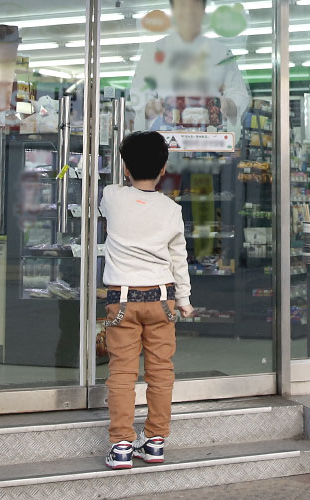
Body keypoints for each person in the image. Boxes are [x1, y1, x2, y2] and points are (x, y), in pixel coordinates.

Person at [100, 131, 194, 469]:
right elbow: (178, 258)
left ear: (125, 168)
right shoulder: (171, 209)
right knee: (160, 372)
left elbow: (116, 201)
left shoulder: (111, 196)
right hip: (162, 300)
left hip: (122, 300)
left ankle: (122, 445)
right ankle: (154, 441)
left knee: (122, 373)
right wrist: (184, 299)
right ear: (164, 169)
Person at [130, 0, 250, 131]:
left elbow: (238, 94)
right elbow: (139, 97)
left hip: (210, 138)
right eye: (182, 5)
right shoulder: (154, 51)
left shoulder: (221, 53)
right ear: (173, 10)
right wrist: (156, 107)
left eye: (194, 6)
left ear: (203, 11)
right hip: (166, 138)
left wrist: (228, 105)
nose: (188, 12)